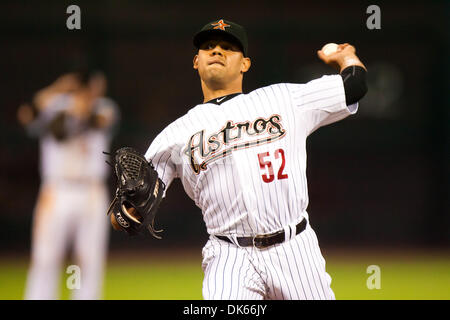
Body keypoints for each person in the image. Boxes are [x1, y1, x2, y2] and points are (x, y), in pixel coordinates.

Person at [112, 18, 367, 300]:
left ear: (245, 63)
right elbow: (123, 214)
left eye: (227, 47)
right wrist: (126, 214)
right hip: (229, 256)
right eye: (209, 47)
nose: (217, 51)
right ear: (196, 61)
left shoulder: (284, 98)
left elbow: (354, 85)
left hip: (294, 248)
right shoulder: (174, 134)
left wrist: (346, 55)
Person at [18, 68, 120, 300]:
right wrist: (57, 89)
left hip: (92, 191)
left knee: (89, 257)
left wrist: (79, 107)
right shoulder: (55, 105)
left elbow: (98, 120)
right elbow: (29, 115)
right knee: (45, 256)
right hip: (58, 189)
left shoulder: (104, 106)